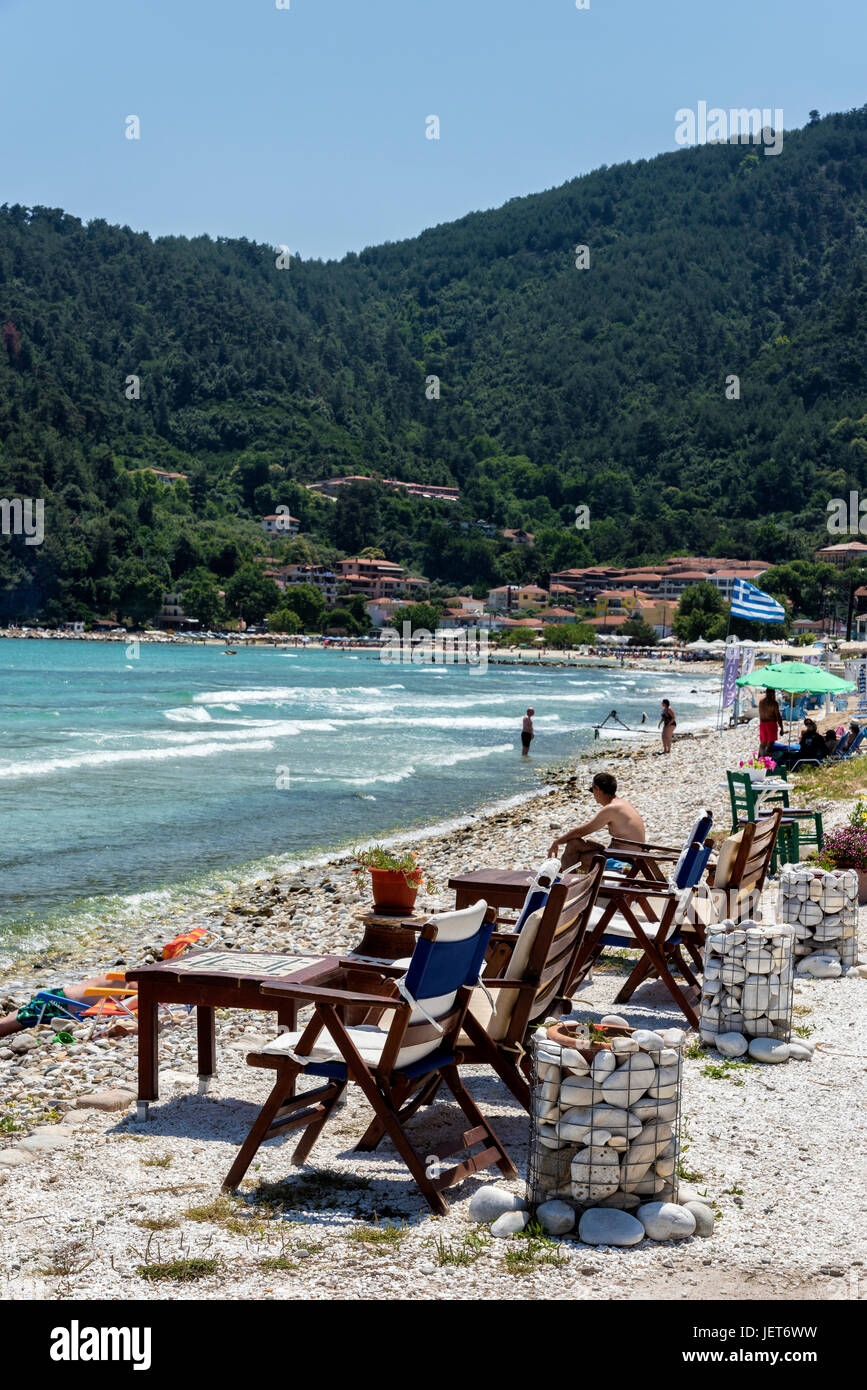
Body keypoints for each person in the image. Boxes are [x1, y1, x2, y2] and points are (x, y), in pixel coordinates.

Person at [548, 771, 646, 872]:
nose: (593, 793)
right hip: (624, 854)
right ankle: (566, 881)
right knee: (574, 843)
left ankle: (568, 883)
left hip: (624, 860)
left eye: (592, 790)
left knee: (578, 858)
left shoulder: (612, 808)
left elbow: (581, 832)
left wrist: (557, 842)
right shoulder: (622, 803)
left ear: (597, 789)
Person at [0, 975, 127, 1039]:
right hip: (56, 1004)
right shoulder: (134, 983)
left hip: (57, 997)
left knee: (6, 1023)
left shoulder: (125, 977)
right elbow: (124, 1005)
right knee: (3, 1027)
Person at [758, 688, 784, 756]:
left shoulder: (761, 702)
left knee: (763, 744)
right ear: (772, 693)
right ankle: (767, 761)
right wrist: (782, 728)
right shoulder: (773, 703)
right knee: (770, 745)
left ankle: (760, 760)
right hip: (771, 724)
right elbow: (778, 716)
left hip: (762, 724)